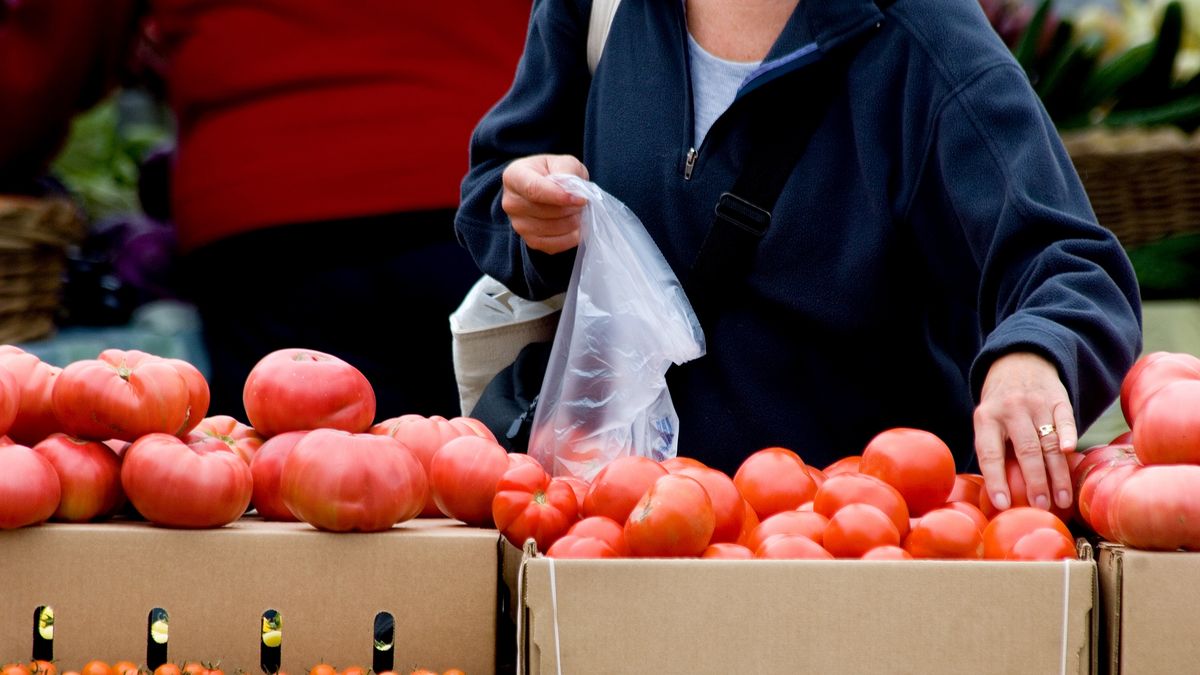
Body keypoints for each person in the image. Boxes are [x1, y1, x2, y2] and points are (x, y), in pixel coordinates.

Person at [455, 0, 1144, 514]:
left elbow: (1071, 265)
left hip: (843, 556)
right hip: (615, 531)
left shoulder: (926, 38)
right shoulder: (600, 8)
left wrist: (1034, 354)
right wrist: (532, 220)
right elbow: (493, 189)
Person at [2, 1, 533, 421]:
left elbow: (39, 66)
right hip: (484, 196)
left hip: (272, 225)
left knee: (303, 505)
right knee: (507, 492)